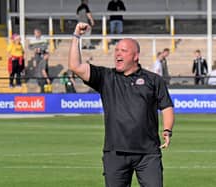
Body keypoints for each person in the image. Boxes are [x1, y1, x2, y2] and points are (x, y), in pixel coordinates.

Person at [69, 22, 174, 187]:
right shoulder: (106, 77)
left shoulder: (153, 80)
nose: (118, 53)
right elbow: (75, 66)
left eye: (123, 51)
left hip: (148, 154)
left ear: (135, 56)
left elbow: (166, 106)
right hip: (115, 153)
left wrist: (167, 130)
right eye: (116, 50)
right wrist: (76, 36)